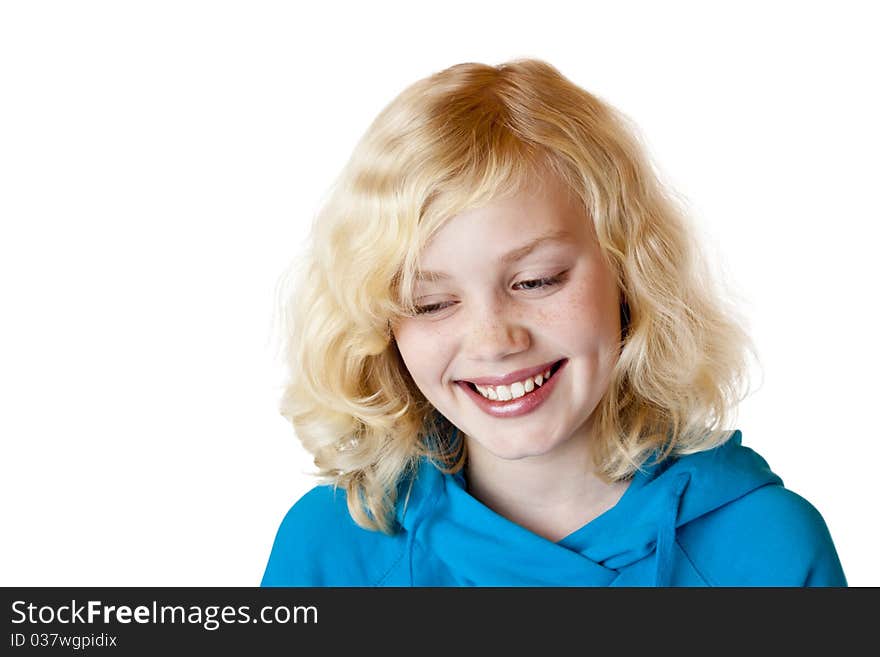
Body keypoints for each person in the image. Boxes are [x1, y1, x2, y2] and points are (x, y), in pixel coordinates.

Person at [261, 58, 846, 587]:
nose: (494, 341)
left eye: (535, 281)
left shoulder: (767, 550)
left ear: (629, 273)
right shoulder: (331, 550)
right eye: (432, 304)